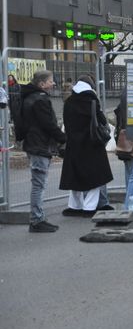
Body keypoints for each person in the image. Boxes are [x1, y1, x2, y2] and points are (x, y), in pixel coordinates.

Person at [59, 75, 113, 217]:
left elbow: (66, 123)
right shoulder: (92, 101)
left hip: (73, 145)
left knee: (75, 177)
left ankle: (74, 206)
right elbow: (101, 120)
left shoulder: (69, 102)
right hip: (92, 144)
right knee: (95, 178)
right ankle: (89, 207)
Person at [21, 70, 67, 232]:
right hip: (39, 145)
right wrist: (63, 138)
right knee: (39, 184)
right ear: (41, 84)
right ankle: (36, 220)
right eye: (50, 81)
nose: (53, 83)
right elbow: (47, 124)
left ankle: (38, 218)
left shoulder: (29, 97)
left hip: (34, 144)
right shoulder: (39, 100)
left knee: (38, 183)